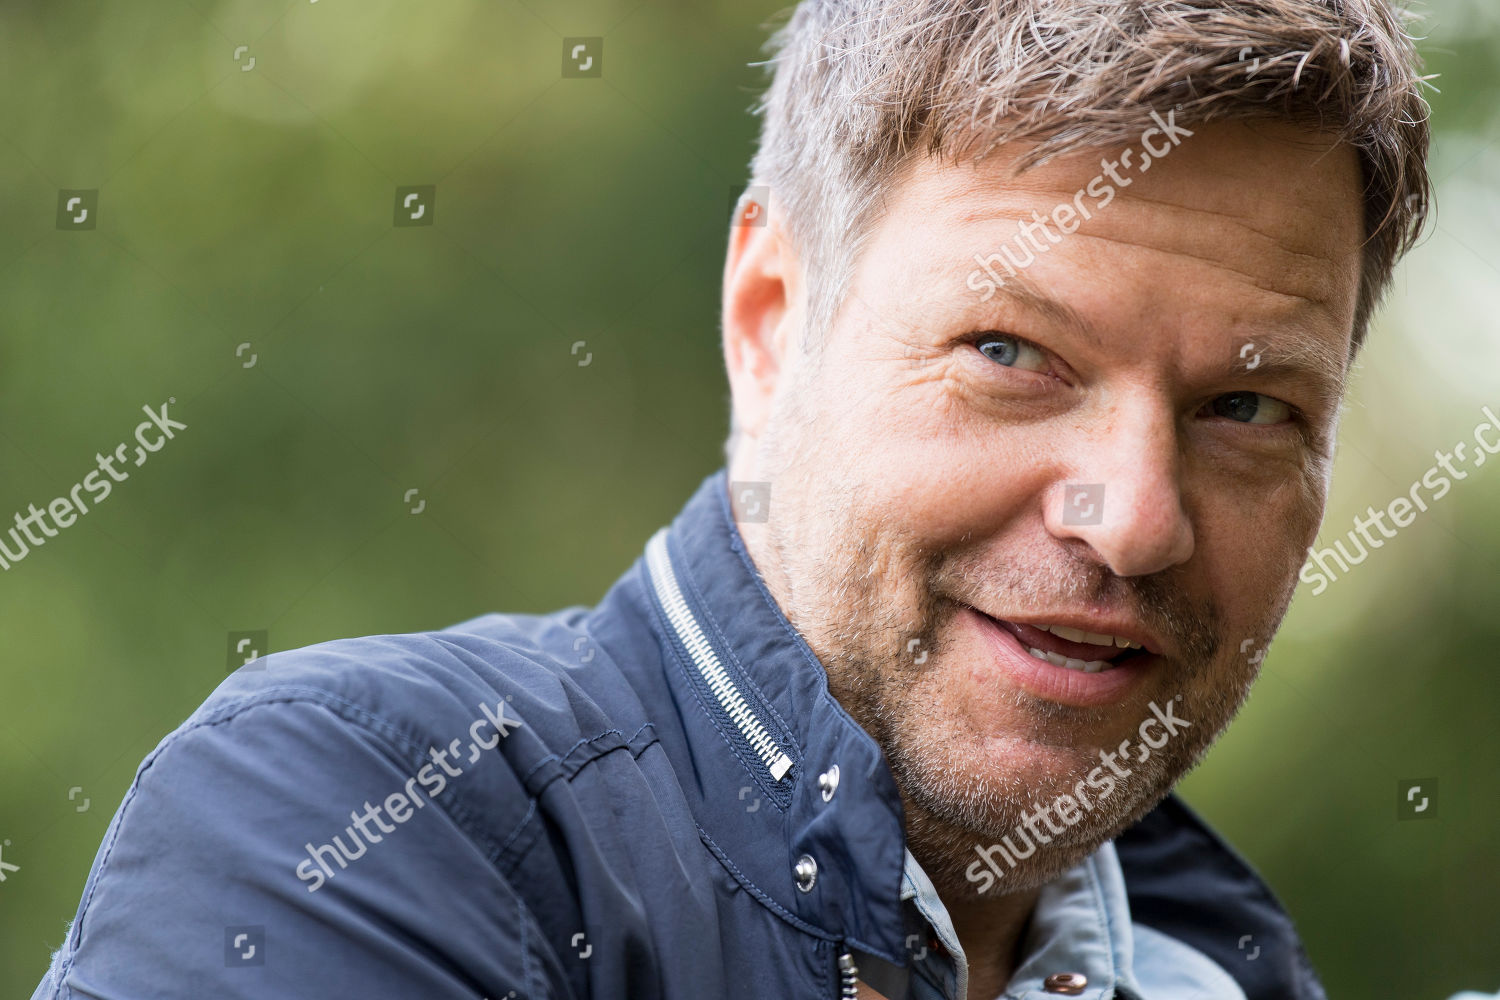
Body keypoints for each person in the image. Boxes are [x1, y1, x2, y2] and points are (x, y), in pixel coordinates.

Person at [32, 1, 1444, 998]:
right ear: (773, 317)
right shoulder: (348, 822)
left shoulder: (1222, 960)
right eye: (1012, 355)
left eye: (1248, 409)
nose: (1135, 517)